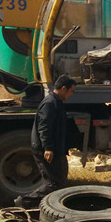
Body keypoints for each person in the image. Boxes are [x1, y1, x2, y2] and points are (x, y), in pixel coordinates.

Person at [14, 74, 77, 208]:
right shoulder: (50, 103)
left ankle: (50, 207)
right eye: (71, 91)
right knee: (54, 183)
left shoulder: (56, 102)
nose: (72, 95)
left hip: (56, 149)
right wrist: (48, 148)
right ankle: (24, 202)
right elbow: (44, 127)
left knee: (59, 182)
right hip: (47, 149)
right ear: (64, 88)